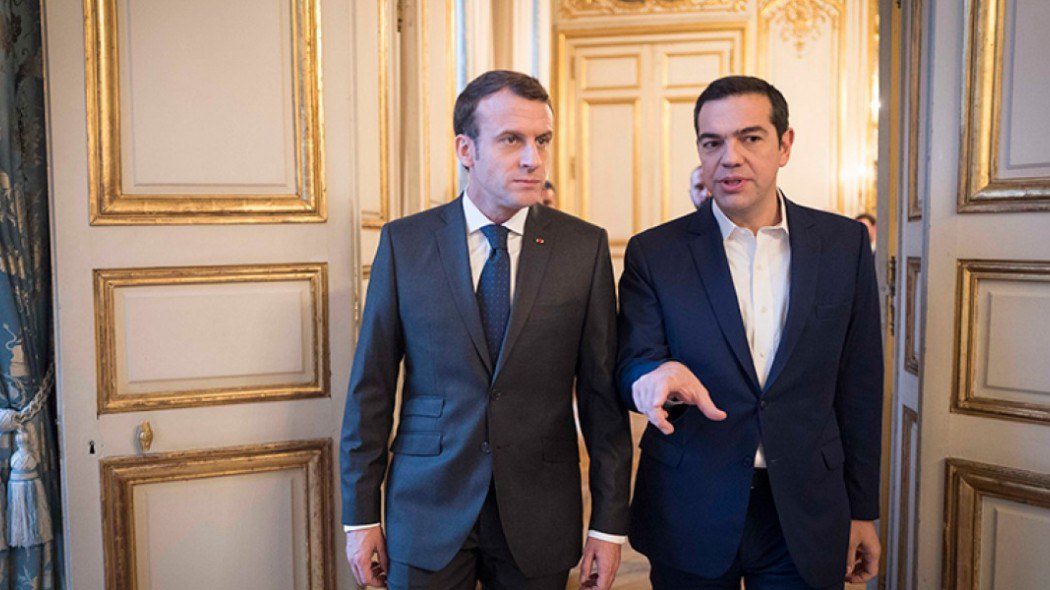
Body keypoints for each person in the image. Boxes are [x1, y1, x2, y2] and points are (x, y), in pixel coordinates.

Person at [340, 70, 632, 590]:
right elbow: (372, 387)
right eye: (512, 139)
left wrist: (607, 526)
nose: (533, 158)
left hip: (540, 510)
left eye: (542, 140)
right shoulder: (406, 243)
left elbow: (600, 399)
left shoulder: (583, 248)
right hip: (427, 506)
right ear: (466, 149)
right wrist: (360, 517)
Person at [616, 75, 883, 589]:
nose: (729, 158)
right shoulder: (656, 252)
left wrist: (862, 509)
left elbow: (860, 386)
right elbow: (632, 360)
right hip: (690, 502)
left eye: (750, 138)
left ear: (785, 145)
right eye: (712, 143)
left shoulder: (843, 244)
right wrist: (650, 376)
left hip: (805, 508)